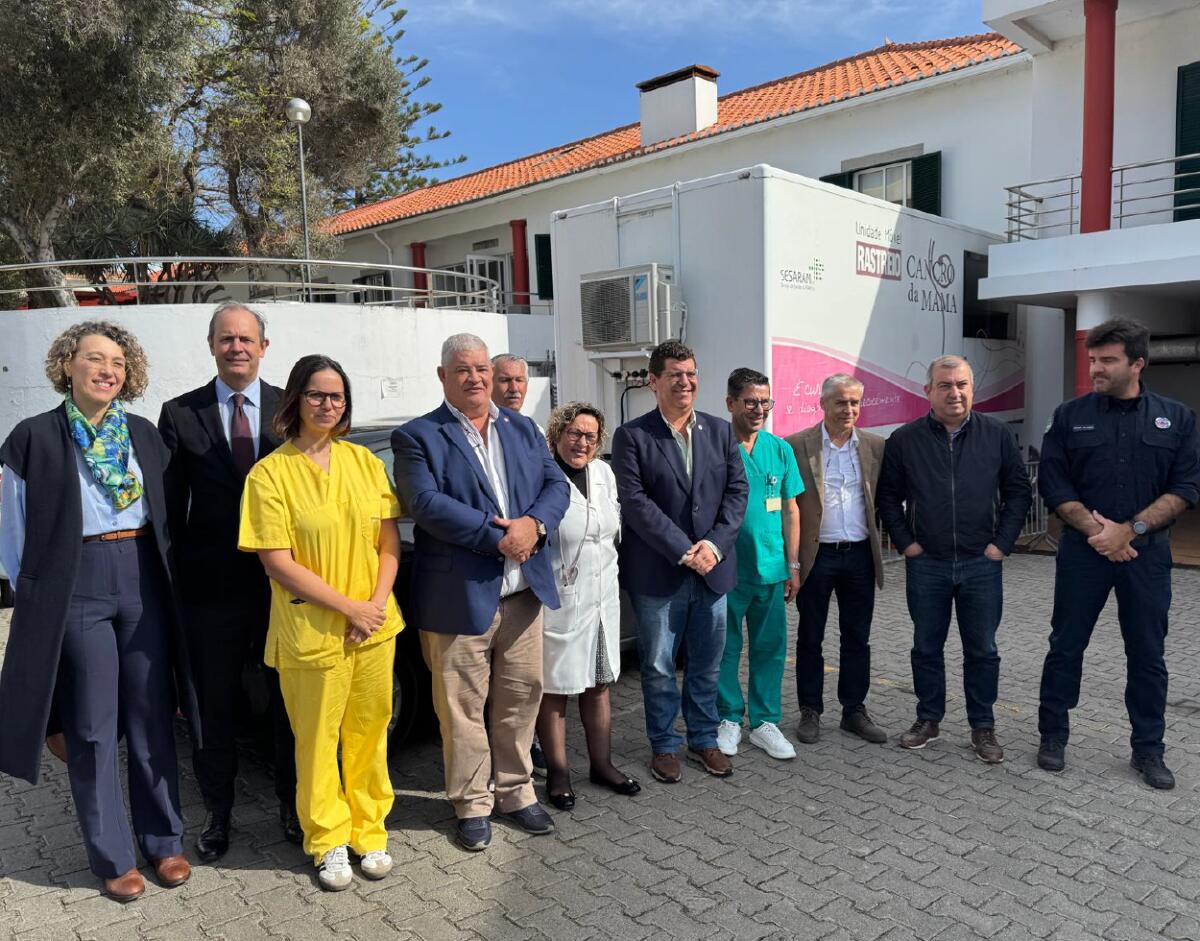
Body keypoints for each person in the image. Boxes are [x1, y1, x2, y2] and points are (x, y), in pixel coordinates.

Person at [0, 321, 196, 902]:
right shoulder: (33, 437)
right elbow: (12, 530)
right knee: (90, 725)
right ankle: (112, 855)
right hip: (77, 581)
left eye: (117, 362)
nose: (107, 370)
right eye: (94, 358)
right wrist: (35, 597)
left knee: (152, 712)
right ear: (67, 365)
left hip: (141, 574)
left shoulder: (142, 434)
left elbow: (166, 512)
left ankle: (164, 841)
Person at [392, 334, 569, 852]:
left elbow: (556, 485)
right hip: (458, 597)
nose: (475, 378)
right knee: (461, 709)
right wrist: (501, 538)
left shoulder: (522, 427)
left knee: (520, 699)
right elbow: (425, 503)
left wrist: (535, 525)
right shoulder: (418, 435)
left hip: (523, 595)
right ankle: (471, 803)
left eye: (481, 369)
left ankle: (516, 792)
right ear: (443, 376)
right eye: (462, 369)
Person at [238, 355, 404, 891]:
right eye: (316, 395)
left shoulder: (365, 462)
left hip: (374, 626)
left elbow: (389, 543)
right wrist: (349, 608)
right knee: (315, 741)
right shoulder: (270, 474)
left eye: (337, 396)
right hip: (311, 630)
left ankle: (369, 831)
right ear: (296, 400)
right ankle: (327, 838)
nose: (327, 405)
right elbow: (276, 562)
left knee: (369, 734)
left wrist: (373, 605)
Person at [158, 300, 299, 861]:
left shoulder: (290, 408)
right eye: (226, 338)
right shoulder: (179, 413)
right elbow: (169, 510)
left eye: (246, 339)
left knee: (289, 702)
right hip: (210, 590)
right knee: (211, 706)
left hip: (282, 584)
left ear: (264, 347)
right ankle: (218, 812)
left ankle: (293, 805)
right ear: (212, 346)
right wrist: (172, 586)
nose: (236, 347)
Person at [1036, 319, 1200, 789]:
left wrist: (1130, 530)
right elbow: (1053, 482)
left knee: (1147, 654)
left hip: (1147, 557)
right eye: (1093, 359)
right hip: (1083, 553)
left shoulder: (1177, 418)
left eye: (1108, 360)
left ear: (1137, 364)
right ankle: (1053, 736)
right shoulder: (1069, 415)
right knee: (1065, 647)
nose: (1096, 368)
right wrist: (1099, 532)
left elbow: (1185, 487)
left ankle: (1148, 750)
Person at [877, 355, 1031, 763]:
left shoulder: (997, 435)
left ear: (972, 389)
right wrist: (907, 543)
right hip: (927, 563)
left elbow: (1019, 492)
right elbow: (887, 497)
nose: (954, 392)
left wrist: (1002, 544)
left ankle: (983, 726)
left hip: (982, 563)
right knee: (926, 646)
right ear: (928, 391)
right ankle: (928, 719)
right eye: (944, 385)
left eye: (962, 384)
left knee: (983, 650)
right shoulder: (905, 439)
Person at [611, 339, 748, 784]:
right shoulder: (633, 436)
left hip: (712, 569)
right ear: (653, 381)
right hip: (660, 572)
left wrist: (714, 546)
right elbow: (634, 502)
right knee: (658, 666)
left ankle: (704, 739)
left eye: (691, 373)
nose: (685, 382)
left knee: (707, 663)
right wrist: (684, 549)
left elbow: (737, 493)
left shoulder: (720, 431)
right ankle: (665, 744)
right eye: (675, 374)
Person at [535, 402, 640, 809]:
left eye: (591, 437)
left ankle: (602, 765)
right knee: (556, 689)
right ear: (557, 434)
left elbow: (612, 529)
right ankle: (559, 774)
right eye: (574, 433)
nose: (582, 443)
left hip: (602, 598)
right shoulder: (543, 475)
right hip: (561, 601)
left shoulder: (604, 474)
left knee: (599, 685)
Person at [787, 374, 888, 746]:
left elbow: (884, 497)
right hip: (817, 556)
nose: (848, 409)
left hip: (859, 555)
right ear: (823, 404)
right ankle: (810, 710)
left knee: (857, 638)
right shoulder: (797, 445)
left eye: (854, 402)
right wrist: (791, 562)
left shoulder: (876, 446)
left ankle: (853, 711)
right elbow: (788, 506)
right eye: (841, 402)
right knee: (810, 637)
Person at [716, 369, 803, 761]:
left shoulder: (780, 449)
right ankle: (728, 717)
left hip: (770, 568)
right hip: (727, 568)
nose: (759, 409)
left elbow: (790, 509)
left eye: (765, 402)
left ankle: (765, 722)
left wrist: (793, 564)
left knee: (770, 648)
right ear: (731, 403)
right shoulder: (717, 447)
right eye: (750, 401)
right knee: (726, 647)